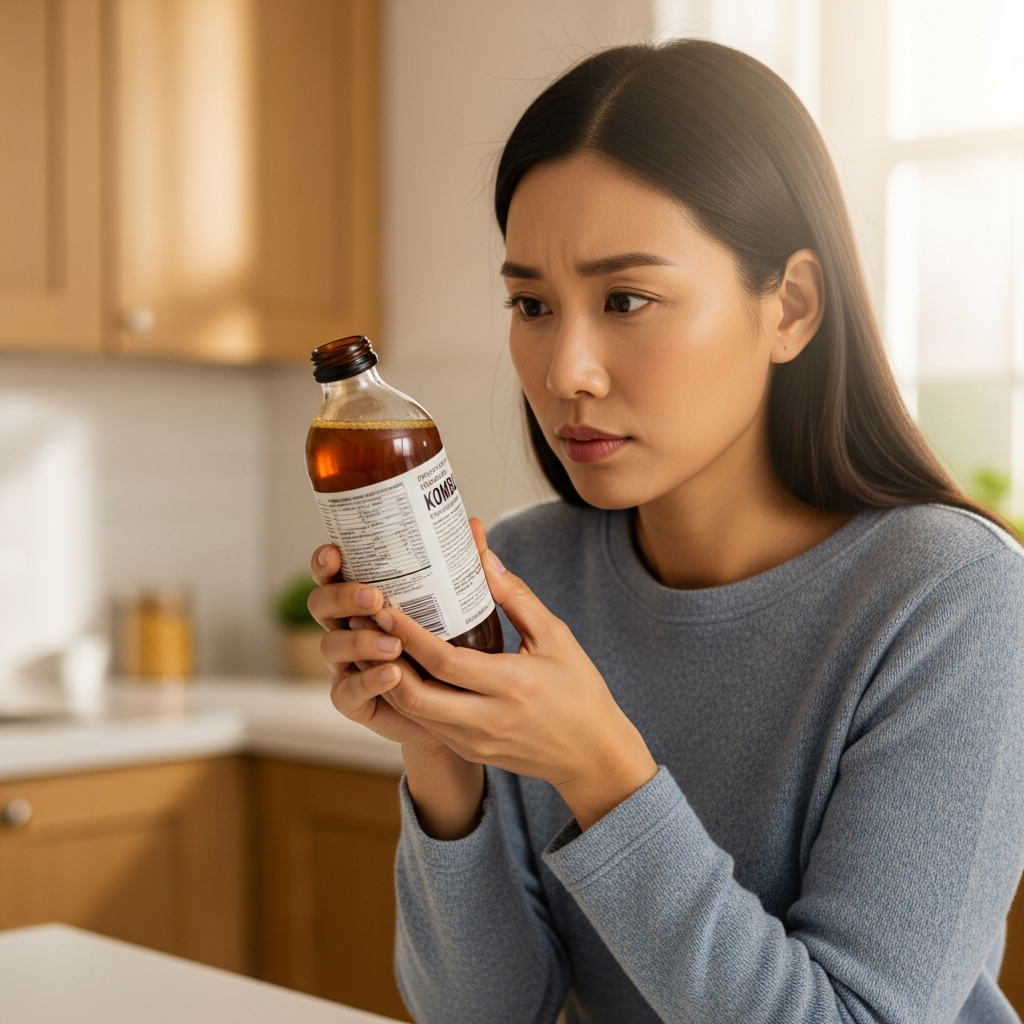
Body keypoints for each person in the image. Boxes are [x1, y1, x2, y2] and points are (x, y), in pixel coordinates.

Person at [308, 39, 1024, 1024]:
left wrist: (599, 767)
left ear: (792, 306)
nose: (566, 370)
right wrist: (444, 754)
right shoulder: (525, 572)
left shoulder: (957, 600)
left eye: (627, 299)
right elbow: (482, 1014)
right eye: (530, 303)